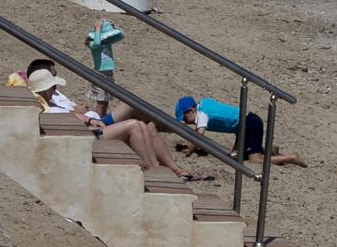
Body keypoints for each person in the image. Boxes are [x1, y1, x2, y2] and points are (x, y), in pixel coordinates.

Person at [26, 67, 202, 181]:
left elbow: (72, 116)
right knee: (134, 125)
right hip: (86, 137)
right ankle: (153, 173)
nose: (55, 90)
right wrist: (89, 120)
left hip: (89, 129)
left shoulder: (48, 102)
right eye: (53, 87)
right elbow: (68, 121)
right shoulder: (44, 107)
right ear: (44, 88)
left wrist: (88, 119)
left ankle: (155, 169)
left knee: (141, 124)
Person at [174, 95, 304, 166]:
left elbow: (199, 136)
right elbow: (214, 102)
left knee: (255, 160)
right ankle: (268, 151)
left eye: (185, 119)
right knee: (235, 157)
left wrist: (189, 151)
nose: (187, 123)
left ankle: (291, 158)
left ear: (191, 111)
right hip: (242, 125)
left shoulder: (201, 114)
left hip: (249, 123)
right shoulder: (204, 103)